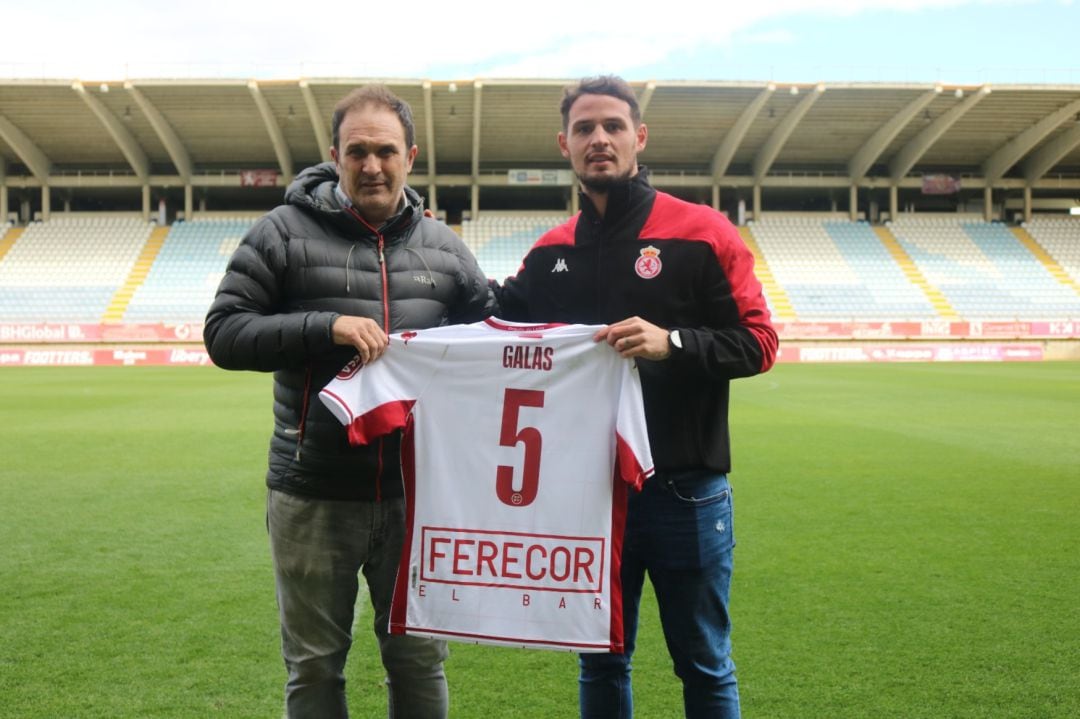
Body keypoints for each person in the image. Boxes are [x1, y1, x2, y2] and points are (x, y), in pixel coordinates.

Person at [204, 84, 493, 718]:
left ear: (410, 156)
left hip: (418, 496)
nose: (371, 166)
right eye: (356, 151)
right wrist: (323, 326)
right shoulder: (281, 233)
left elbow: (494, 342)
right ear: (334, 155)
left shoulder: (446, 251)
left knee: (418, 661)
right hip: (311, 491)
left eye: (385, 151)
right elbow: (223, 334)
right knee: (313, 666)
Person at [496, 75, 778, 719]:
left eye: (613, 127)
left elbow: (758, 343)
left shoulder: (702, 232)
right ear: (564, 143)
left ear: (639, 137)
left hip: (685, 489)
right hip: (588, 494)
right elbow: (493, 324)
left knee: (704, 664)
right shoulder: (550, 252)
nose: (599, 139)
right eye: (585, 129)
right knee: (599, 661)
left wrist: (672, 343)